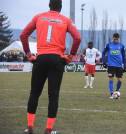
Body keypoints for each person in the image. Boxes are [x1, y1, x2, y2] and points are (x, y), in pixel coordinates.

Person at [20, 0, 81, 133]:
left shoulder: (38, 17)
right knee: (53, 95)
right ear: (61, 7)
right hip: (57, 60)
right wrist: (71, 56)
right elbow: (77, 38)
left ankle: (30, 126)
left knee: (34, 93)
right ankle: (48, 129)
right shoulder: (66, 20)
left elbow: (23, 35)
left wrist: (29, 54)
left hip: (41, 58)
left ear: (49, 5)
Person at [102, 33, 126, 99]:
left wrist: (125, 65)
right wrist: (104, 62)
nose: (116, 40)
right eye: (115, 39)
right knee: (111, 79)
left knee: (120, 80)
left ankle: (116, 91)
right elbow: (103, 53)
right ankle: (112, 93)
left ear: (119, 39)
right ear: (113, 38)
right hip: (111, 65)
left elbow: (124, 56)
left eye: (117, 39)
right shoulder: (109, 45)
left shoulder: (121, 46)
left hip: (119, 66)